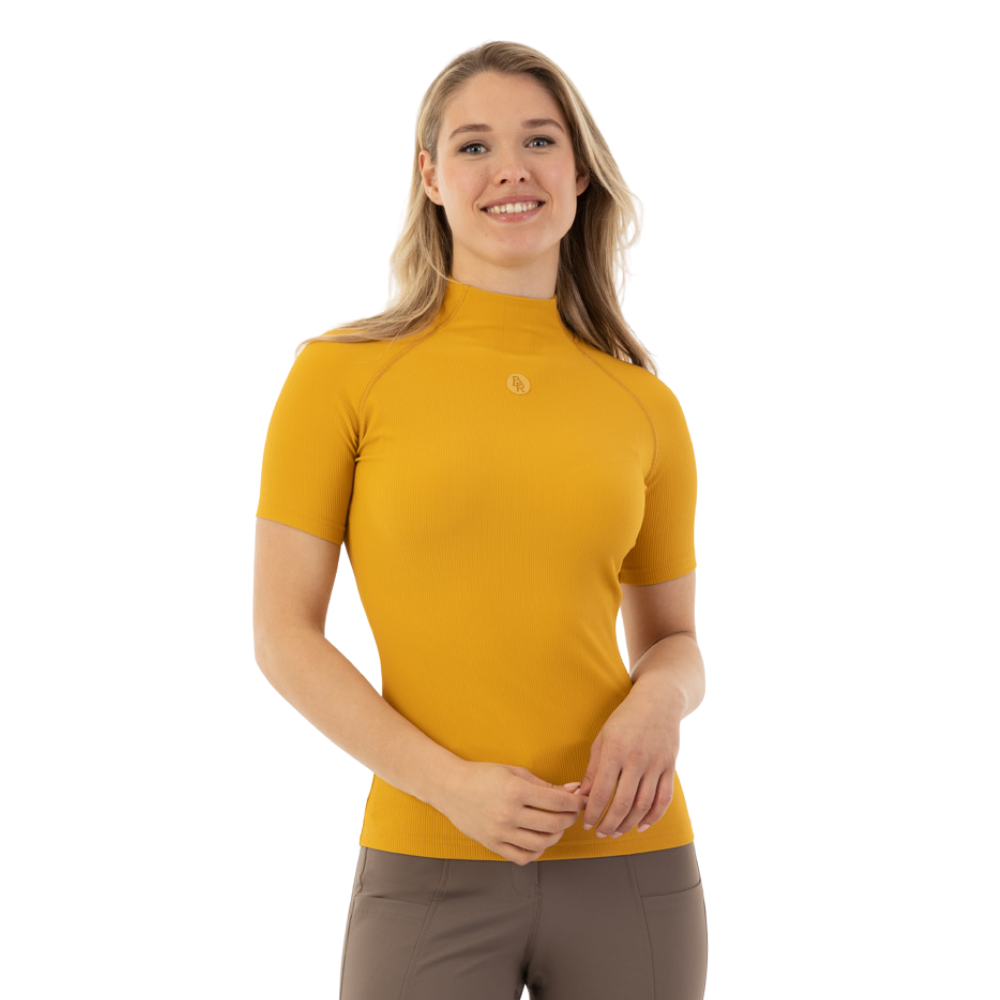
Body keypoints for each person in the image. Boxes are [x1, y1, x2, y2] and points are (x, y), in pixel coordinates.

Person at [253, 40, 708, 1000]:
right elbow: (283, 636)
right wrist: (450, 787)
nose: (510, 168)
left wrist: (657, 703)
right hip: (427, 861)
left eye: (539, 140)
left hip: (631, 858)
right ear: (430, 178)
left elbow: (674, 642)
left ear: (579, 173)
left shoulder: (644, 406)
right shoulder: (339, 375)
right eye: (473, 146)